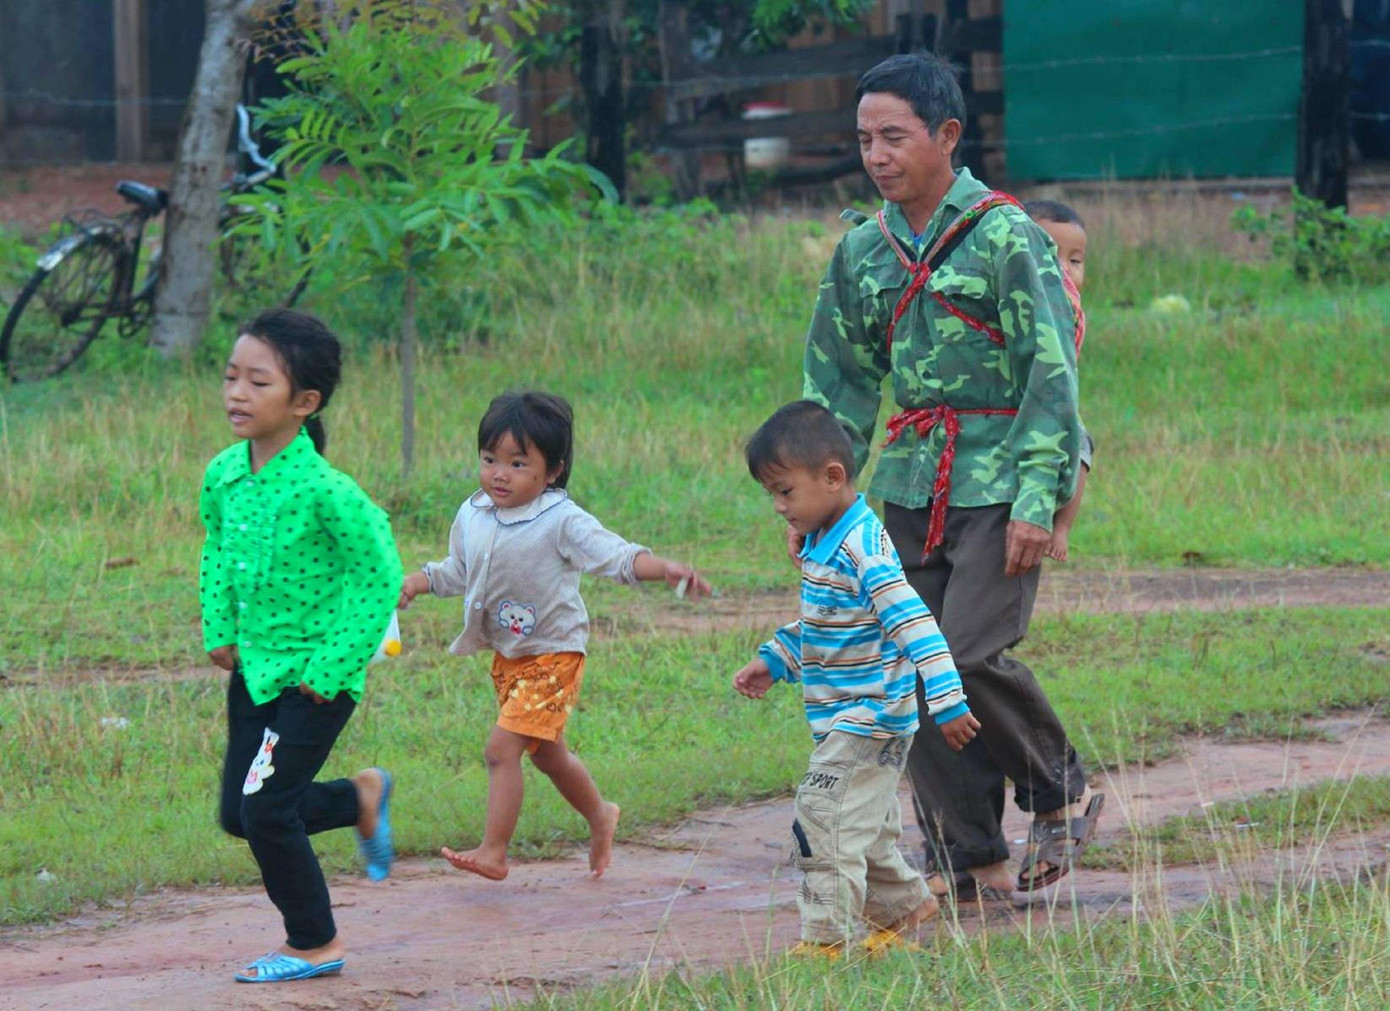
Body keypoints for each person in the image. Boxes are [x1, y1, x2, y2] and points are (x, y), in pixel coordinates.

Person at [801, 52, 1104, 901]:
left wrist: (1039, 498)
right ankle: (971, 856)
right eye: (865, 138)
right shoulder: (865, 250)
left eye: (894, 137)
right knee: (910, 663)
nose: (877, 155)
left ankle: (1060, 789)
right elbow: (840, 379)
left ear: (946, 136)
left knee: (963, 655)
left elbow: (1051, 374)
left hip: (1001, 477)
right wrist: (819, 501)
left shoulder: (1008, 237)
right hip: (909, 482)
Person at [398, 391, 711, 882]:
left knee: (501, 750)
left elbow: (615, 556)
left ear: (553, 471)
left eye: (518, 463)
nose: (499, 474)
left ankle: (494, 851)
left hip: (555, 656)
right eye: (489, 459)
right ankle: (601, 814)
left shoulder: (560, 519)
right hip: (511, 658)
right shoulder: (473, 512)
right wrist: (418, 582)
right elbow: (459, 569)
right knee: (548, 755)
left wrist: (662, 568)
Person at [199, 309, 404, 984]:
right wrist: (219, 626)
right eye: (231, 376)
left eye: (258, 382)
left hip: (317, 679)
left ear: (304, 402)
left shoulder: (327, 490)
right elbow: (216, 548)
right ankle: (359, 797)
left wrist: (334, 664)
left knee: (266, 812)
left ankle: (314, 942)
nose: (237, 393)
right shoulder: (223, 474)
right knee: (240, 814)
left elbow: (379, 574)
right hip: (254, 669)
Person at [732, 401, 978, 957]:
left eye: (785, 491)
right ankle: (905, 908)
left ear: (832, 476)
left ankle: (826, 942)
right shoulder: (826, 544)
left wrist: (948, 701)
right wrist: (777, 659)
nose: (778, 506)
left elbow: (915, 625)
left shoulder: (863, 549)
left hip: (870, 717)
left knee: (821, 818)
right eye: (771, 494)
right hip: (845, 716)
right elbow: (830, 622)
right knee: (863, 829)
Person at [1024, 198, 1091, 563]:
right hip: (1022, 400)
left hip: (1058, 401)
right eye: (1050, 255)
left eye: (1075, 261)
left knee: (1080, 447)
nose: (1063, 268)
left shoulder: (1069, 303)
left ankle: (1061, 525)